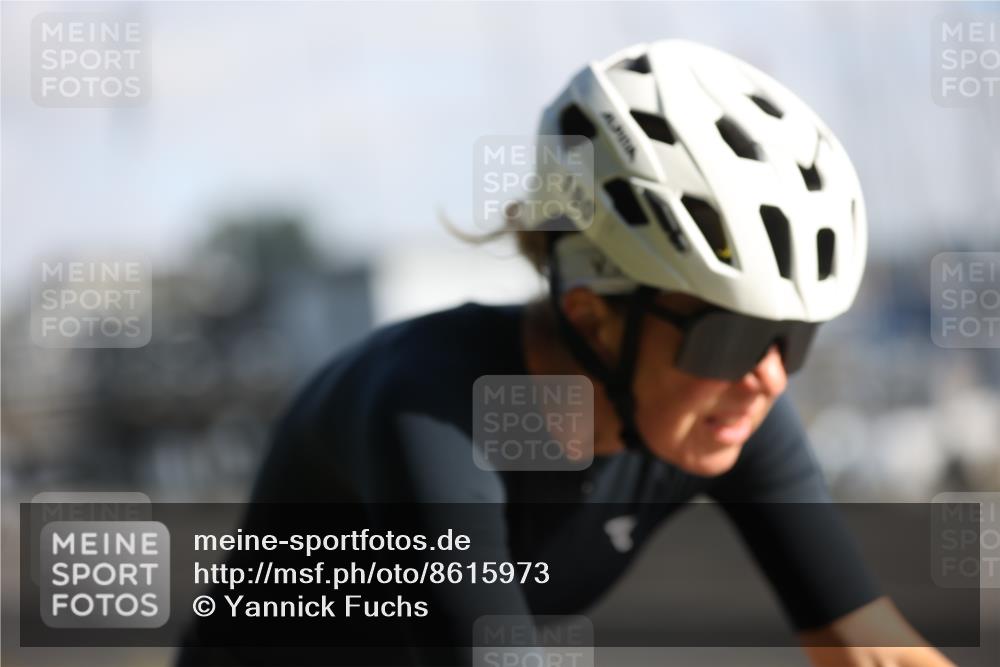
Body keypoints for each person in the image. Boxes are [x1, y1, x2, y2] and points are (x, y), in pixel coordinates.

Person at [177, 40, 954, 666]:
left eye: (794, 336)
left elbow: (872, 647)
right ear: (593, 314)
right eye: (730, 336)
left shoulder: (718, 400)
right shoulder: (436, 409)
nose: (770, 376)